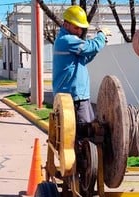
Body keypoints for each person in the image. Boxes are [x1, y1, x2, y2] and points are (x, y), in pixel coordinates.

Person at [52, 5, 110, 140]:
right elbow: (89, 47)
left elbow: (86, 56)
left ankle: (82, 158)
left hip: (78, 96)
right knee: (83, 136)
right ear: (66, 24)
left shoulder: (67, 40)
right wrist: (101, 35)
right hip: (73, 98)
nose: (79, 31)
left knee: (86, 131)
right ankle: (79, 161)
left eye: (81, 28)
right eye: (76, 27)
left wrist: (100, 43)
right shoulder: (66, 40)